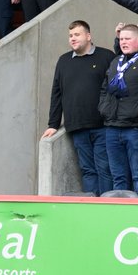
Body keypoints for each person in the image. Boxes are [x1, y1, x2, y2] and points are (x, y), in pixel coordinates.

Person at [46, 20, 115, 195]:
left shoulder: (106, 56)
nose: (73, 39)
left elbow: (116, 89)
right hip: (77, 126)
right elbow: (56, 93)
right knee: (87, 169)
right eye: (70, 36)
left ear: (88, 36)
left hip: (103, 125)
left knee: (104, 168)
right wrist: (53, 124)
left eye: (77, 34)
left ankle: (105, 207)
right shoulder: (63, 60)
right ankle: (91, 208)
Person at [100, 24, 138, 197]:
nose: (123, 42)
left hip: (137, 128)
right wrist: (103, 108)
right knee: (118, 177)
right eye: (121, 39)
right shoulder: (115, 61)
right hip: (112, 126)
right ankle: (121, 218)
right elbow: (104, 89)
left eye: (127, 39)